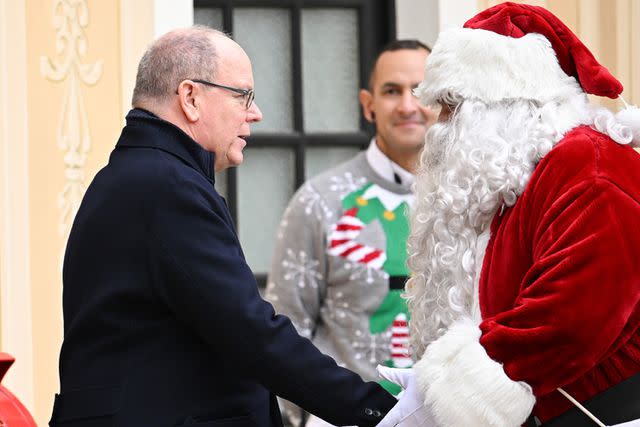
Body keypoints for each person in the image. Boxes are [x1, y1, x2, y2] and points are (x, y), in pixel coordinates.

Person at [48, 26, 397, 427]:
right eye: (243, 95)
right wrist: (378, 410)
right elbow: (249, 332)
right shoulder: (167, 187)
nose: (256, 112)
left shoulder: (136, 176)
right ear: (190, 98)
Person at [378, 3, 640, 427]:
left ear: (502, 106)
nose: (440, 125)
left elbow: (569, 318)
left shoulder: (590, 167)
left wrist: (454, 393)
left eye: (453, 107)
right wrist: (431, 383)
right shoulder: (518, 176)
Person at [265, 40, 436, 426]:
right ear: (368, 103)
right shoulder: (318, 201)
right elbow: (284, 334)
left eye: (421, 90)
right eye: (392, 91)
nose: (408, 105)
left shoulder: (471, 202)